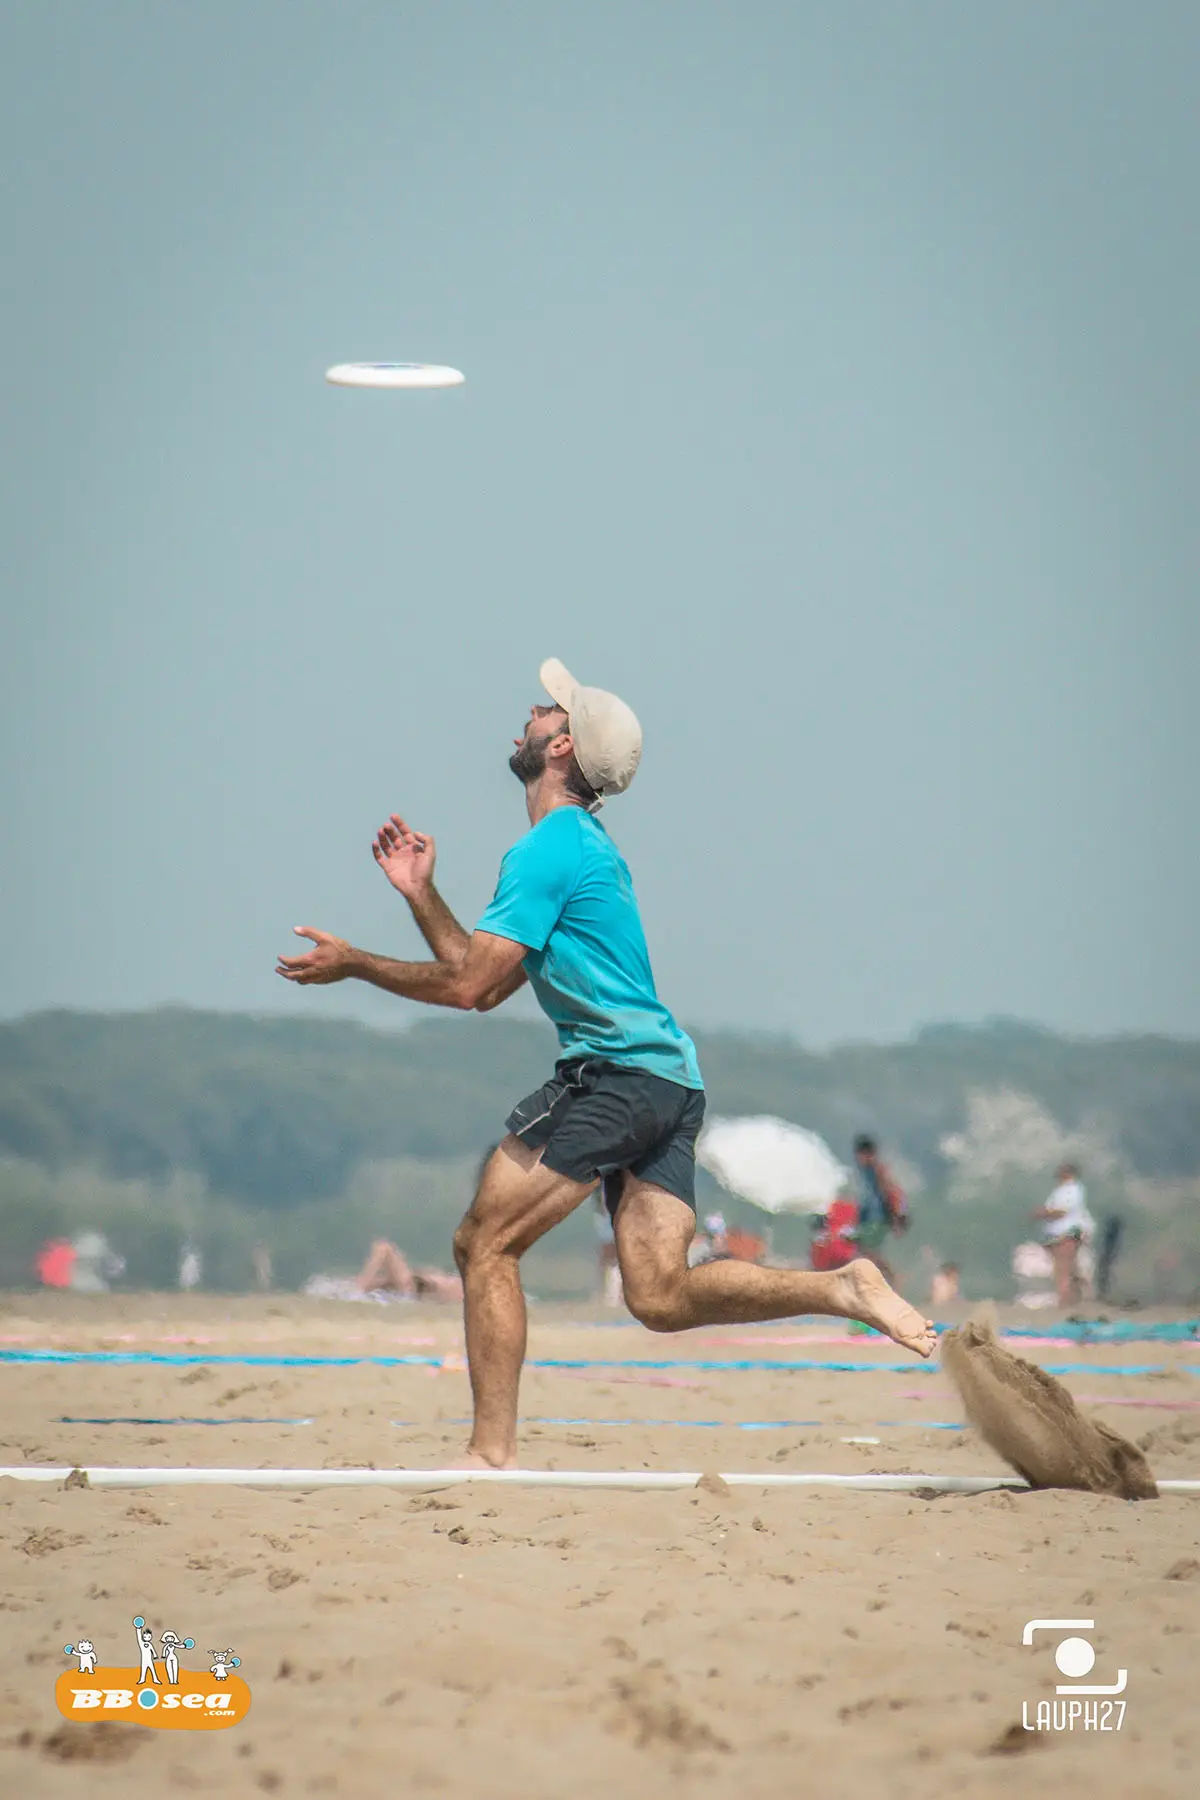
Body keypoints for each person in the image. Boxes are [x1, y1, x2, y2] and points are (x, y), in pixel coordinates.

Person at [276, 657, 935, 1467]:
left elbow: (468, 986)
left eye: (551, 710)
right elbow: (487, 982)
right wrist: (421, 894)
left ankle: (489, 1455)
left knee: (484, 1243)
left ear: (561, 748)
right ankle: (842, 1287)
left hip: (615, 1078)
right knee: (660, 1294)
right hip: (669, 1082)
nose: (533, 709)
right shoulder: (579, 846)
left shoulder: (549, 849)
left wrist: (356, 964)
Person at [1032, 1161, 1095, 1308]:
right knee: (1068, 1268)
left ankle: (1065, 1301)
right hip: (1058, 1233)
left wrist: (1042, 1213)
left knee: (1062, 1268)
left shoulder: (1072, 1190)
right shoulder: (1061, 1190)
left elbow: (1061, 1211)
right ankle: (1077, 1296)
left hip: (1066, 1232)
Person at [851, 1135, 909, 1283]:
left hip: (877, 1219)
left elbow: (890, 1192)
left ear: (868, 1154)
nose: (858, 1158)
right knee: (864, 1251)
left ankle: (891, 1278)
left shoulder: (878, 1170)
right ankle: (887, 1278)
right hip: (868, 1219)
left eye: (860, 1154)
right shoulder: (865, 1171)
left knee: (868, 1252)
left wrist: (896, 1218)